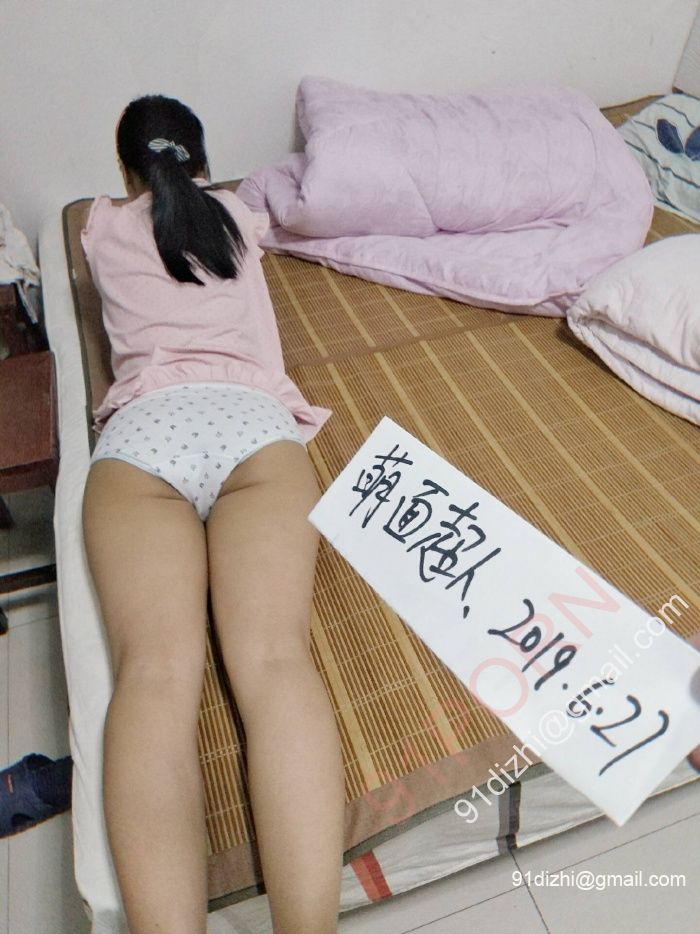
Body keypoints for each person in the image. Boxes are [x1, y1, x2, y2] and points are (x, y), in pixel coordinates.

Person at [80, 94, 345, 934]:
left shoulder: (96, 224)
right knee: (276, 663)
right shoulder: (234, 215)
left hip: (145, 432)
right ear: (202, 162)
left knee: (154, 676)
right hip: (253, 429)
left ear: (126, 172)